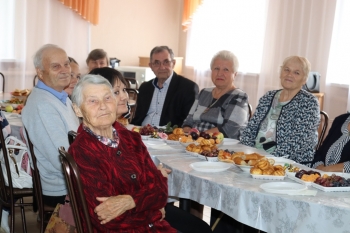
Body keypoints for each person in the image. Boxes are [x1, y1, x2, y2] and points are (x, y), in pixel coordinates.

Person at [69, 74, 175, 232]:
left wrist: (131, 201)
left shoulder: (131, 139)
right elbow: (107, 220)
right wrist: (152, 212)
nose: (103, 106)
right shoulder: (82, 152)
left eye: (107, 98)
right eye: (93, 101)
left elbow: (160, 192)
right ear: (78, 110)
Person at [22, 44, 80, 208]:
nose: (65, 70)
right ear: (40, 72)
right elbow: (61, 159)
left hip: (70, 180)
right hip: (61, 188)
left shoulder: (59, 96)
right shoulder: (43, 105)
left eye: (66, 64)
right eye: (56, 66)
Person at [240, 55, 320, 165]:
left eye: (296, 73)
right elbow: (250, 129)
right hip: (256, 156)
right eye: (286, 70)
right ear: (280, 72)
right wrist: (247, 153)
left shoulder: (309, 102)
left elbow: (299, 141)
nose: (289, 75)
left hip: (289, 163)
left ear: (304, 79)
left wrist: (267, 160)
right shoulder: (269, 96)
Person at [182, 50, 249, 139]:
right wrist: (187, 136)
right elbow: (188, 121)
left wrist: (199, 137)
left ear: (235, 74)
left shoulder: (239, 97)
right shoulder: (204, 92)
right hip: (194, 141)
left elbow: (229, 130)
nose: (220, 73)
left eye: (226, 70)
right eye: (216, 68)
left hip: (222, 145)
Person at [131, 46, 199, 127]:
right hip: (141, 132)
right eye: (157, 63)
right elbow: (138, 117)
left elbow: (189, 122)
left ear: (173, 63)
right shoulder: (145, 88)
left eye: (166, 62)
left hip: (168, 136)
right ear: (151, 66)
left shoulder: (188, 88)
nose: (162, 67)